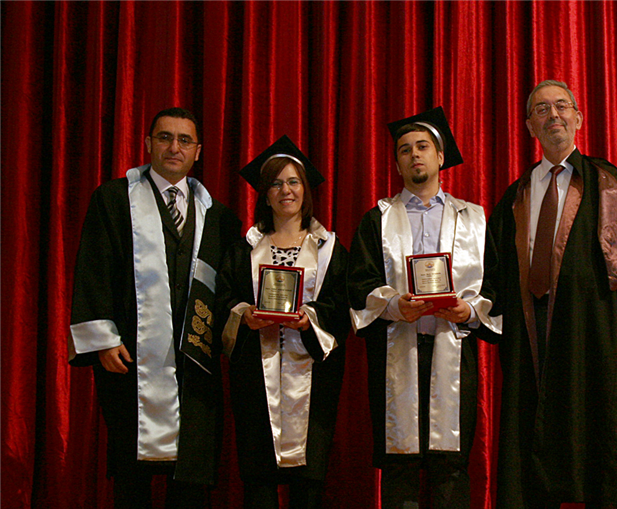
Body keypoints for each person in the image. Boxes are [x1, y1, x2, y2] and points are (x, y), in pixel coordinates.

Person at [479, 80, 617, 509]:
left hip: (590, 327)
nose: (553, 115)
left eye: (561, 106)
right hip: (529, 332)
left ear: (579, 118)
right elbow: (493, 267)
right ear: (530, 126)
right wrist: (476, 311)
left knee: (595, 431)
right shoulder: (517, 194)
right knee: (529, 431)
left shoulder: (606, 182)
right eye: (541, 109)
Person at [68, 107, 242, 508]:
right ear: (148, 143)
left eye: (184, 140)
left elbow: (228, 290)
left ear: (197, 151)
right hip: (130, 359)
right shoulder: (114, 200)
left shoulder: (218, 216)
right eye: (165, 137)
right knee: (132, 479)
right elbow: (94, 270)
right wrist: (104, 340)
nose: (174, 147)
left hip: (195, 367)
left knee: (191, 479)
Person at [347, 107, 501, 509]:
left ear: (440, 156)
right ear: (397, 164)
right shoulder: (377, 220)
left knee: (451, 465)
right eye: (404, 150)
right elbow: (359, 284)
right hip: (396, 351)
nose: (414, 154)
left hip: (453, 350)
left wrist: (469, 311)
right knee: (400, 464)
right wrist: (394, 305)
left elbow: (495, 286)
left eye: (422, 147)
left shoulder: (474, 219)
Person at [216, 135, 349, 509]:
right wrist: (244, 315)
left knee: (308, 483)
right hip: (255, 378)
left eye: (293, 182)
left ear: (305, 190)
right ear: (265, 193)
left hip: (314, 378)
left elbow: (342, 305)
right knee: (258, 478)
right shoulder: (244, 249)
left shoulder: (329, 249)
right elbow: (223, 298)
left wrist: (310, 320)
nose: (285, 191)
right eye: (275, 183)